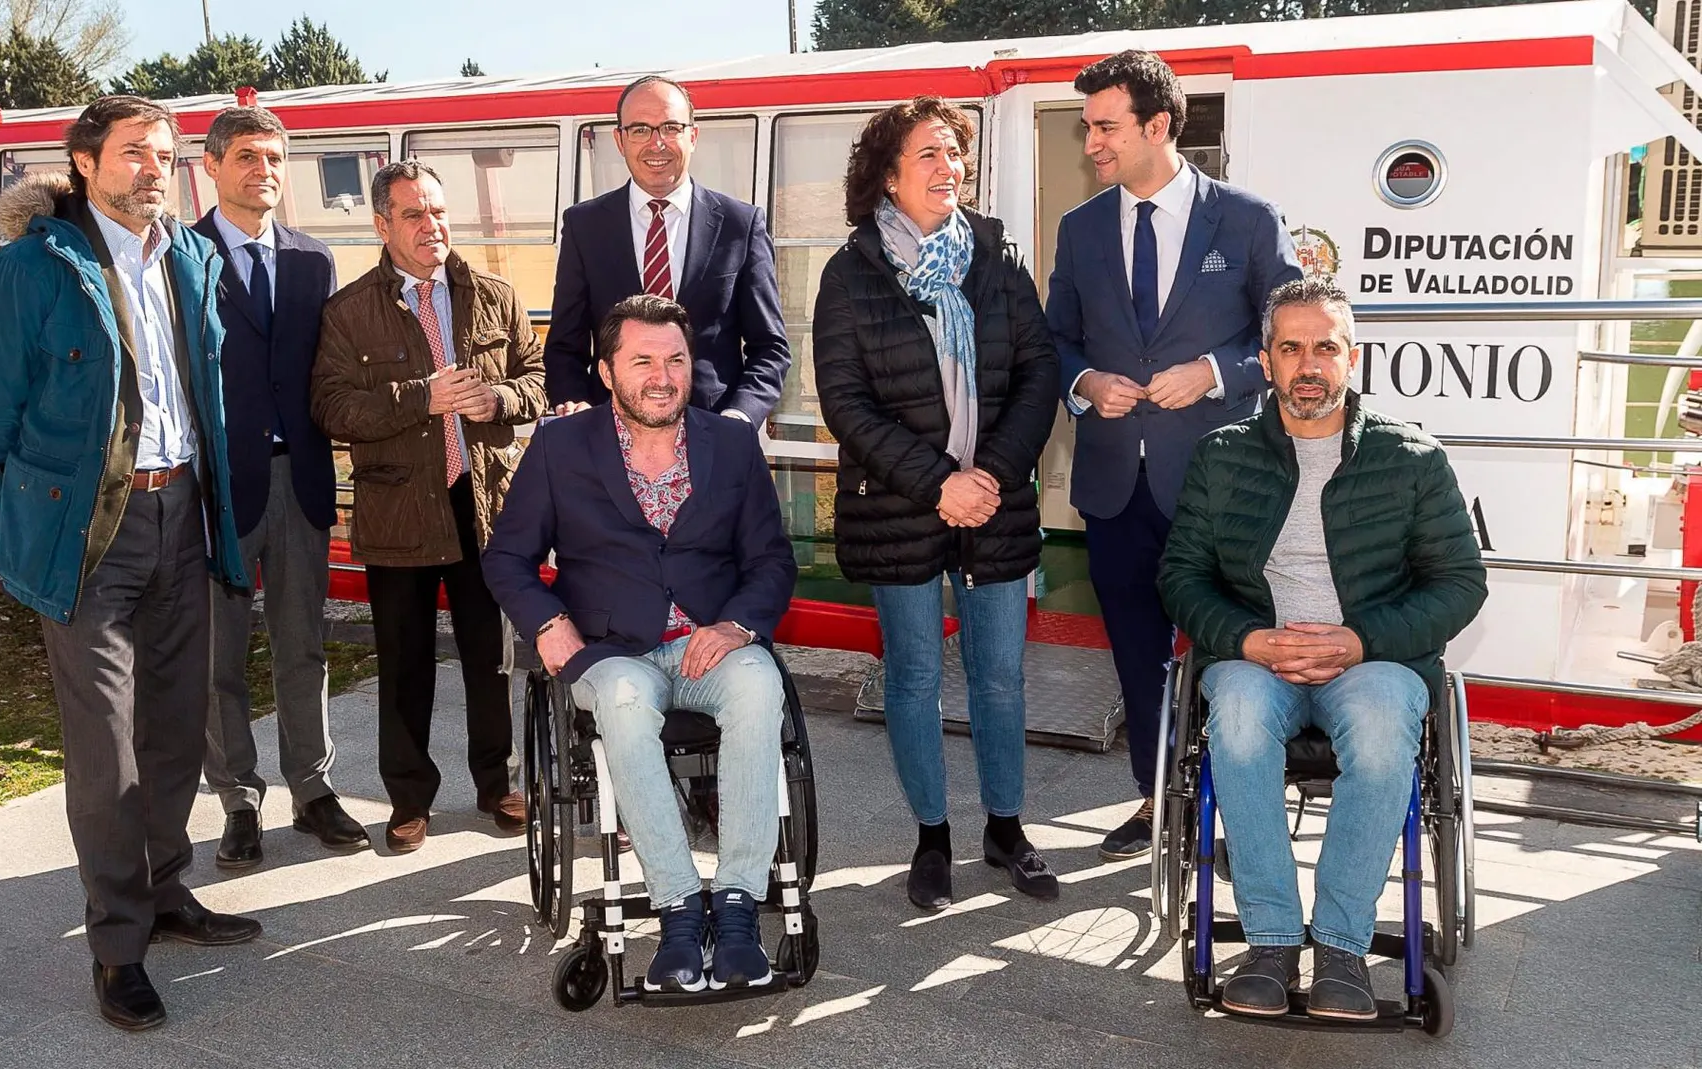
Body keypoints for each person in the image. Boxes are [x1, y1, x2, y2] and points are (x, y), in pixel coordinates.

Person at [0, 95, 262, 1032]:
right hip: (90, 534)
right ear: (84, 162)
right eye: (135, 153)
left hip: (183, 515)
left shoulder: (190, 258)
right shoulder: (29, 269)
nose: (155, 169)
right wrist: (48, 510)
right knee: (108, 749)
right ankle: (118, 945)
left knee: (176, 726)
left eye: (166, 155)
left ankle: (167, 891)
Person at [1158, 278, 1487, 1021]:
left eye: (1325, 348)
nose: (1309, 365)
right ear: (1267, 361)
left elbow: (1460, 583)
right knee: (1234, 719)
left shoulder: (1412, 459)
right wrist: (1250, 640)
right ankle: (1272, 941)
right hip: (1255, 660)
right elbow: (1180, 576)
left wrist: (1358, 639)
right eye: (1291, 348)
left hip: (1370, 662)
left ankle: (1340, 943)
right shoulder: (1223, 456)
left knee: (1380, 731)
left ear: (1353, 357)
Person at [482, 295, 797, 992]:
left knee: (759, 683)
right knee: (623, 699)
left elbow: (772, 561)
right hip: (613, 650)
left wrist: (737, 625)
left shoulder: (733, 444)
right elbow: (505, 557)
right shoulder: (561, 447)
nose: (662, 375)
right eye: (643, 360)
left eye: (676, 359)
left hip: (709, 644)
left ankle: (739, 905)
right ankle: (680, 903)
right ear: (605, 370)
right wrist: (546, 622)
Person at [1045, 50, 1303, 861]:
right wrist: (1085, 380)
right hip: (1117, 484)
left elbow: (1293, 339)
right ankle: (1160, 800)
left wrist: (1218, 373)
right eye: (1088, 127)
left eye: (1104, 127)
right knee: (1136, 654)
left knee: (1231, 652)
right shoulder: (1081, 229)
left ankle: (1230, 804)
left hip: (1225, 486)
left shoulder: (1250, 219)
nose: (1091, 143)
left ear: (1158, 127)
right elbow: (1057, 339)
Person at [813, 97, 1062, 911]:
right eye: (927, 154)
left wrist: (986, 474)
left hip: (993, 505)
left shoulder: (997, 255)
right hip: (899, 507)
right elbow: (846, 403)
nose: (947, 167)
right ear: (888, 174)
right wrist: (938, 483)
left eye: (954, 152)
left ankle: (1005, 828)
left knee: (1000, 678)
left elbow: (1037, 375)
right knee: (914, 678)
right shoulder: (849, 273)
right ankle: (932, 838)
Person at [310, 160, 547, 853]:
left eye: (438, 212)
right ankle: (409, 798)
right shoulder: (348, 312)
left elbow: (535, 377)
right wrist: (422, 396)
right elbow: (330, 406)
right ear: (382, 224)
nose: (431, 226)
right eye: (413, 214)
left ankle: (498, 781)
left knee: (491, 656)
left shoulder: (494, 295)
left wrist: (498, 398)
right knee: (405, 661)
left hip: (484, 503)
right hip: (399, 510)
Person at [192, 106, 368, 867]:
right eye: (245, 157)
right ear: (212, 166)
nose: (261, 169)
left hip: (300, 478)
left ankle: (312, 788)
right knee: (218, 657)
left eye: (273, 157)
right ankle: (236, 795)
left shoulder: (312, 260)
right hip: (217, 488)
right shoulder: (179, 254)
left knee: (304, 644)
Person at [546, 75, 790, 425]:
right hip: (610, 439)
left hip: (714, 435)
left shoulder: (741, 225)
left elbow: (770, 349)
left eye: (670, 127)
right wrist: (577, 407)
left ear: (693, 135)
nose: (656, 143)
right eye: (640, 129)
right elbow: (564, 348)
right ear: (619, 139)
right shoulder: (584, 226)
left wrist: (738, 418)